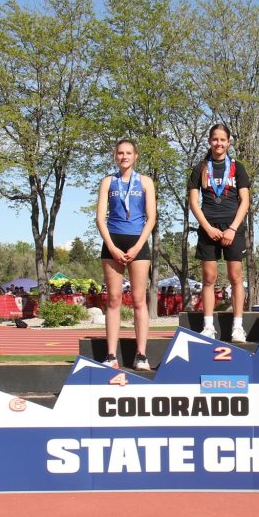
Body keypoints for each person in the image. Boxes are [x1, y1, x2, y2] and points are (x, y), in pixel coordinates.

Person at [96, 138, 157, 371]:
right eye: (120, 153)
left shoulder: (145, 182)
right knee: (113, 300)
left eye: (128, 153)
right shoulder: (107, 182)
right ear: (115, 156)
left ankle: (141, 355)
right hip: (113, 241)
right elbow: (100, 218)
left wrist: (138, 245)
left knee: (139, 300)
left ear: (135, 156)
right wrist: (111, 246)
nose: (124, 157)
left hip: (138, 242)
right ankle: (111, 355)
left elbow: (151, 218)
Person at [189, 123, 251, 342]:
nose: (219, 143)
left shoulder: (238, 168)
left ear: (229, 142)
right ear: (209, 141)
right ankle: (208, 326)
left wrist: (233, 228)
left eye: (222, 139)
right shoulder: (200, 168)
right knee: (209, 278)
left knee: (236, 278)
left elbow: (245, 201)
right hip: (209, 227)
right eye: (215, 139)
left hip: (233, 228)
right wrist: (206, 227)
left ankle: (237, 327)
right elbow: (193, 202)